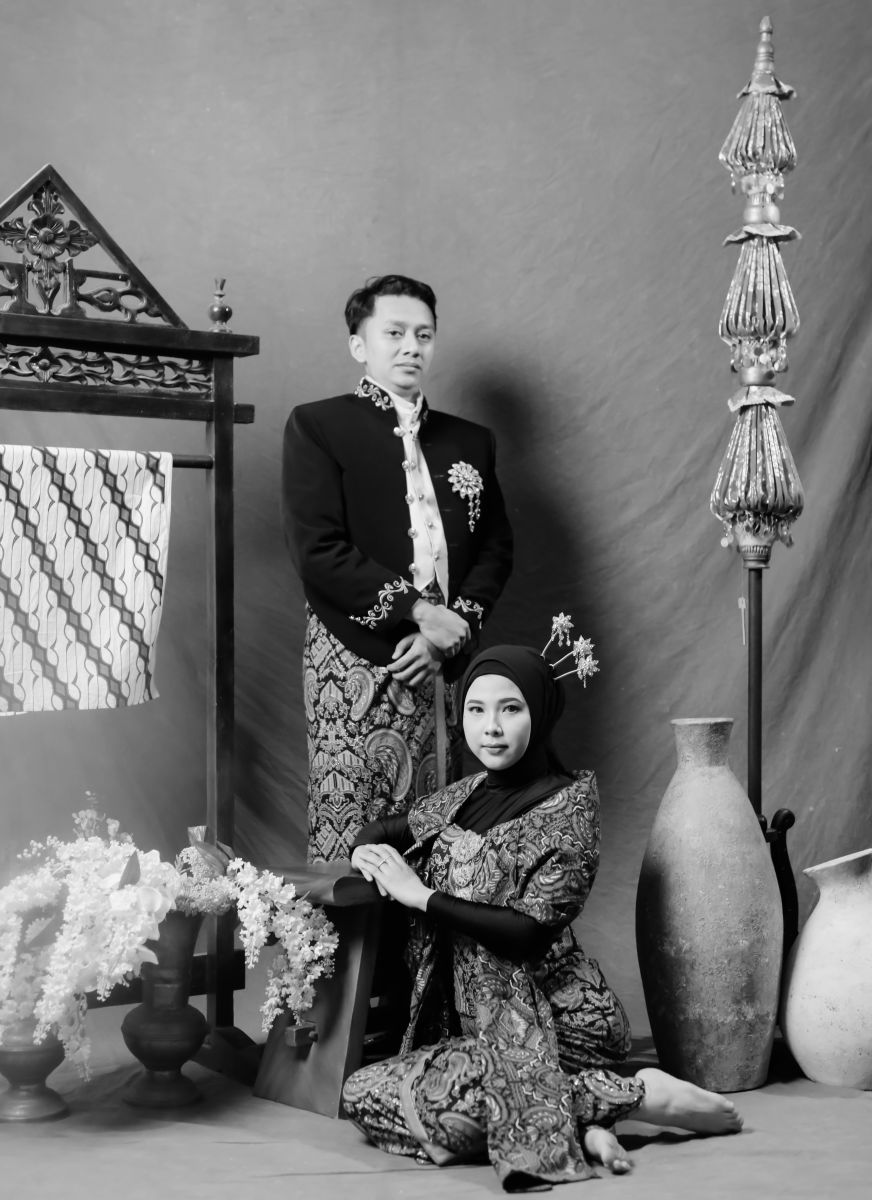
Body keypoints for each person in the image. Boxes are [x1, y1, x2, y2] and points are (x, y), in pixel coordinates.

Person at [342, 645, 743, 1191]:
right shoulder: (462, 797)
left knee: (455, 1097)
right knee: (363, 1093)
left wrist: (421, 897)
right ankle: (594, 1114)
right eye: (476, 710)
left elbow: (526, 935)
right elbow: (383, 830)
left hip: (561, 1022)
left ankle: (641, 1095)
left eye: (510, 709)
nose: (491, 727)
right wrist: (365, 853)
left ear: (541, 713)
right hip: (479, 1039)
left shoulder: (568, 808)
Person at [283, 275, 513, 862]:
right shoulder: (318, 426)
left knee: (443, 825)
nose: (412, 346)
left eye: (424, 335)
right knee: (354, 830)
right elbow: (317, 549)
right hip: (352, 651)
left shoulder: (471, 440)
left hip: (445, 655)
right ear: (358, 344)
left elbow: (495, 549)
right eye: (395, 333)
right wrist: (418, 613)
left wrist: (450, 629)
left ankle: (431, 928)